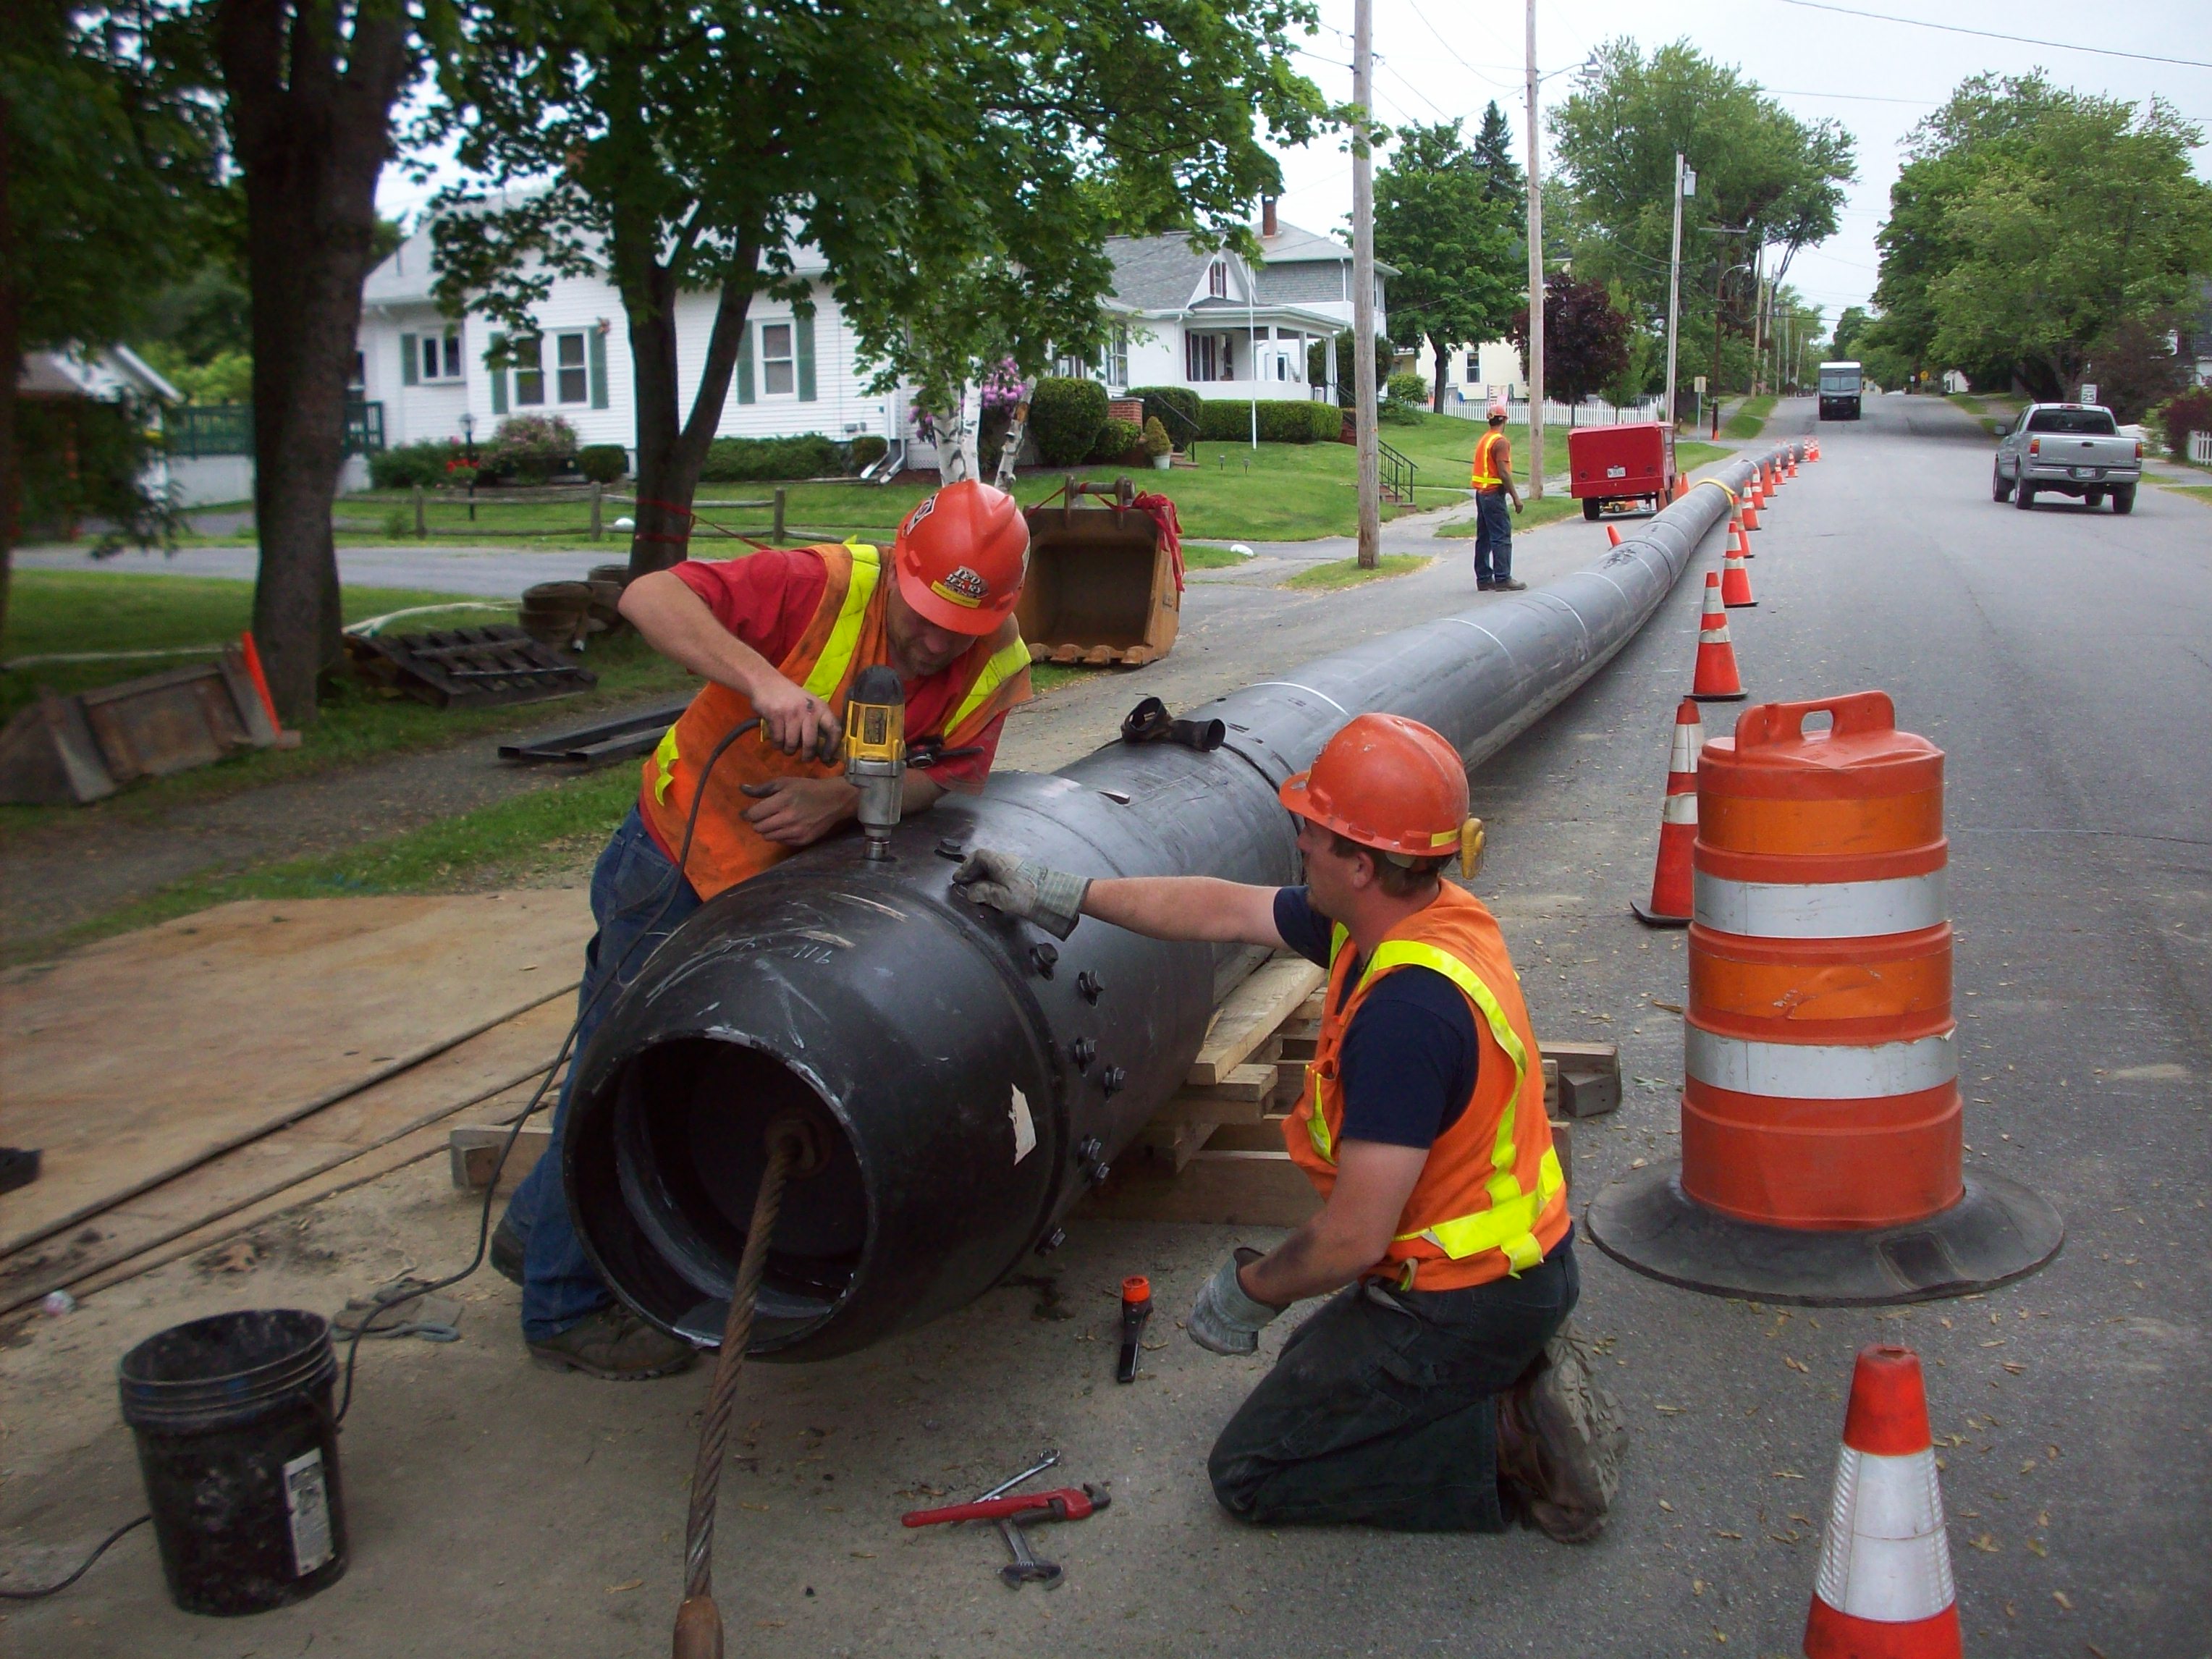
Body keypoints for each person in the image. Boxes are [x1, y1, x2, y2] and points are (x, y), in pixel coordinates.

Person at [954, 713, 1621, 1538]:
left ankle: (1511, 1448)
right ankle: (1499, 1383)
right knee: (1314, 1370)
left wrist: (1247, 1293)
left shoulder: (1407, 1016)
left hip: (1467, 1297)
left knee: (1253, 1470)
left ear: (1363, 864)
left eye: (1317, 830)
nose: (1300, 839)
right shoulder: (1410, 917)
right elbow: (1222, 910)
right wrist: (1062, 893)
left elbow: (1350, 1240)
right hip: (1495, 1271)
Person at [499, 479, 1035, 1380]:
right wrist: (764, 679)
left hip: (781, 888)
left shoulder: (996, 665)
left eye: (963, 629)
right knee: (609, 1067)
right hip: (674, 861)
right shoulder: (818, 584)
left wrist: (841, 796)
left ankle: (534, 1230)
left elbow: (950, 774)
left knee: (672, 1073)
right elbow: (647, 596)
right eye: (925, 616)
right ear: (900, 569)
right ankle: (561, 1309)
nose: (938, 641)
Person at [1469, 402, 1527, 592]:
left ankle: (1484, 578)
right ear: (1504, 420)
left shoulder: (1485, 439)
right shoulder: (1500, 442)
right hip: (1493, 494)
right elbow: (1504, 473)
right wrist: (1516, 498)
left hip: (1482, 494)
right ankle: (1503, 578)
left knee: (1484, 537)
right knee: (1501, 535)